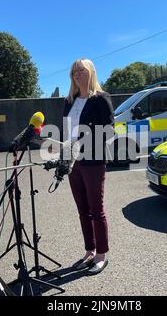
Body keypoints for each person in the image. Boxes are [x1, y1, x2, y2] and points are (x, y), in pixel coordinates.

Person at [62, 58, 114, 276]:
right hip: (73, 163)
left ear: (91, 72)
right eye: (74, 71)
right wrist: (64, 156)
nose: (77, 74)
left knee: (96, 209)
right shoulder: (70, 100)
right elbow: (66, 131)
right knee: (82, 209)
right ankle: (89, 251)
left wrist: (87, 141)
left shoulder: (101, 99)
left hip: (93, 161)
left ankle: (101, 255)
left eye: (81, 70)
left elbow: (109, 131)